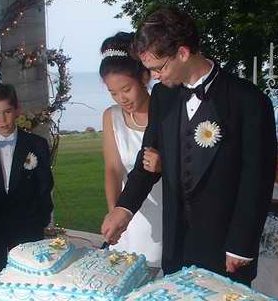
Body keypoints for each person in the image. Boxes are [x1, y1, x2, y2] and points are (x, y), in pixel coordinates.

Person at [101, 8, 277, 286]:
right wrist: (123, 209)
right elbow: (146, 161)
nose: (155, 77)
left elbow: (257, 180)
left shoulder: (249, 101)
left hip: (225, 246)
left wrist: (241, 244)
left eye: (159, 68)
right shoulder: (162, 96)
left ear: (183, 53)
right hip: (176, 244)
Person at [0, 83, 54, 293]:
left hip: (27, 228)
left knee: (27, 286)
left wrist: (40, 220)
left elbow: (44, 186)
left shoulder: (36, 144)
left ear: (17, 110)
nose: (2, 120)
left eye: (7, 112)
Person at [100, 32, 163, 267]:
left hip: (169, 208)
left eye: (126, 89)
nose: (121, 99)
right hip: (131, 215)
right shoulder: (111, 117)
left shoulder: (166, 111)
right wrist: (115, 213)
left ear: (144, 77)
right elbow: (113, 170)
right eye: (113, 93)